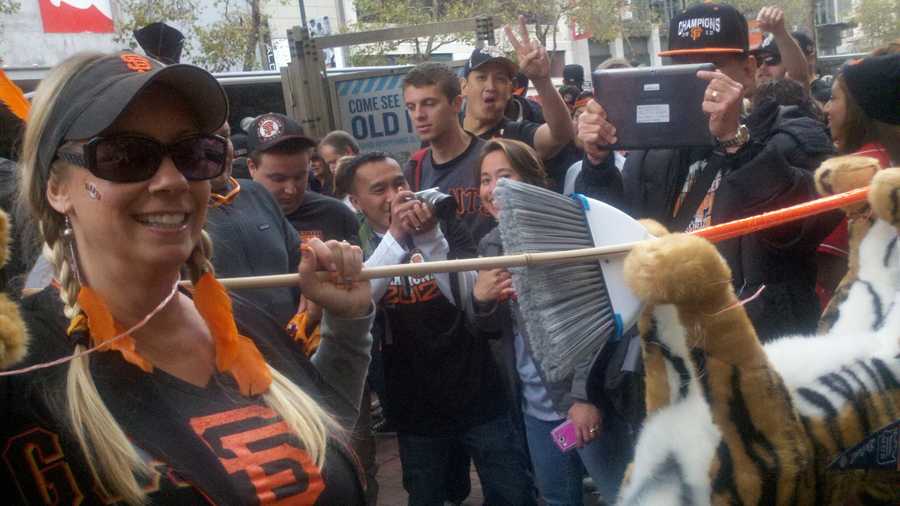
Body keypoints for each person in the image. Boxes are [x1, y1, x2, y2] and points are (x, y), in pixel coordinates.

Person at [3, 51, 374, 504]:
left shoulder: (244, 326)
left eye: (193, 153)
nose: (172, 180)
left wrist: (348, 326)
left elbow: (324, 434)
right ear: (57, 187)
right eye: (124, 155)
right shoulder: (23, 368)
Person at [577, 3, 840, 341]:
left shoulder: (792, 133)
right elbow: (616, 244)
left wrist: (737, 142)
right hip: (671, 346)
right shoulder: (652, 151)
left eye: (710, 67)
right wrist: (597, 162)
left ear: (748, 70)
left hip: (755, 347)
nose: (695, 82)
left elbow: (804, 227)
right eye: (681, 67)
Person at [339, 151, 536, 505]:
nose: (394, 196)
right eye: (379, 189)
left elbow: (465, 296)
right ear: (356, 201)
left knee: (512, 492)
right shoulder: (356, 245)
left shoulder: (443, 217)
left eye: (399, 183)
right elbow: (360, 302)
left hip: (478, 391)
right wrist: (396, 237)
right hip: (416, 406)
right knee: (432, 495)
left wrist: (430, 237)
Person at [474, 139, 631, 504]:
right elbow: (491, 332)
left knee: (624, 496)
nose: (491, 189)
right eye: (484, 179)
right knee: (557, 499)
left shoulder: (565, 236)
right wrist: (480, 300)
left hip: (585, 403)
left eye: (503, 176)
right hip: (535, 409)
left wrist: (582, 397)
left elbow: (596, 328)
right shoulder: (490, 246)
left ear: (531, 182)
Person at [817, 53, 900, 309]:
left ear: (860, 109)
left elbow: (833, 269)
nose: (826, 109)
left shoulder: (857, 173)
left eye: (833, 98)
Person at [205, 121, 303, 327]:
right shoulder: (176, 212)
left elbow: (300, 260)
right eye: (207, 139)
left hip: (287, 346)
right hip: (222, 350)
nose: (221, 148)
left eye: (225, 136)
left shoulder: (257, 193)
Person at [403, 62, 496, 243]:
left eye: (429, 104)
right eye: (411, 107)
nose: (419, 115)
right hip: (445, 268)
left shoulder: (493, 158)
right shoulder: (414, 168)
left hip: (498, 266)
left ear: (457, 104)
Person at [461, 17, 575, 163]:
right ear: (464, 86)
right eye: (481, 77)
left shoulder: (517, 136)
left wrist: (542, 81)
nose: (490, 86)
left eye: (500, 79)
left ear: (510, 89)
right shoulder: (447, 134)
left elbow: (561, 134)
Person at [247, 113, 360, 245]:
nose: (291, 190)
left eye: (299, 177)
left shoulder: (337, 215)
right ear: (252, 167)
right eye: (278, 179)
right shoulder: (230, 221)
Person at [750, 6, 809, 89]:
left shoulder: (793, 98)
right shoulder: (742, 98)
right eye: (758, 61)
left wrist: (779, 31)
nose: (762, 67)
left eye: (771, 60)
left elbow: (799, 75)